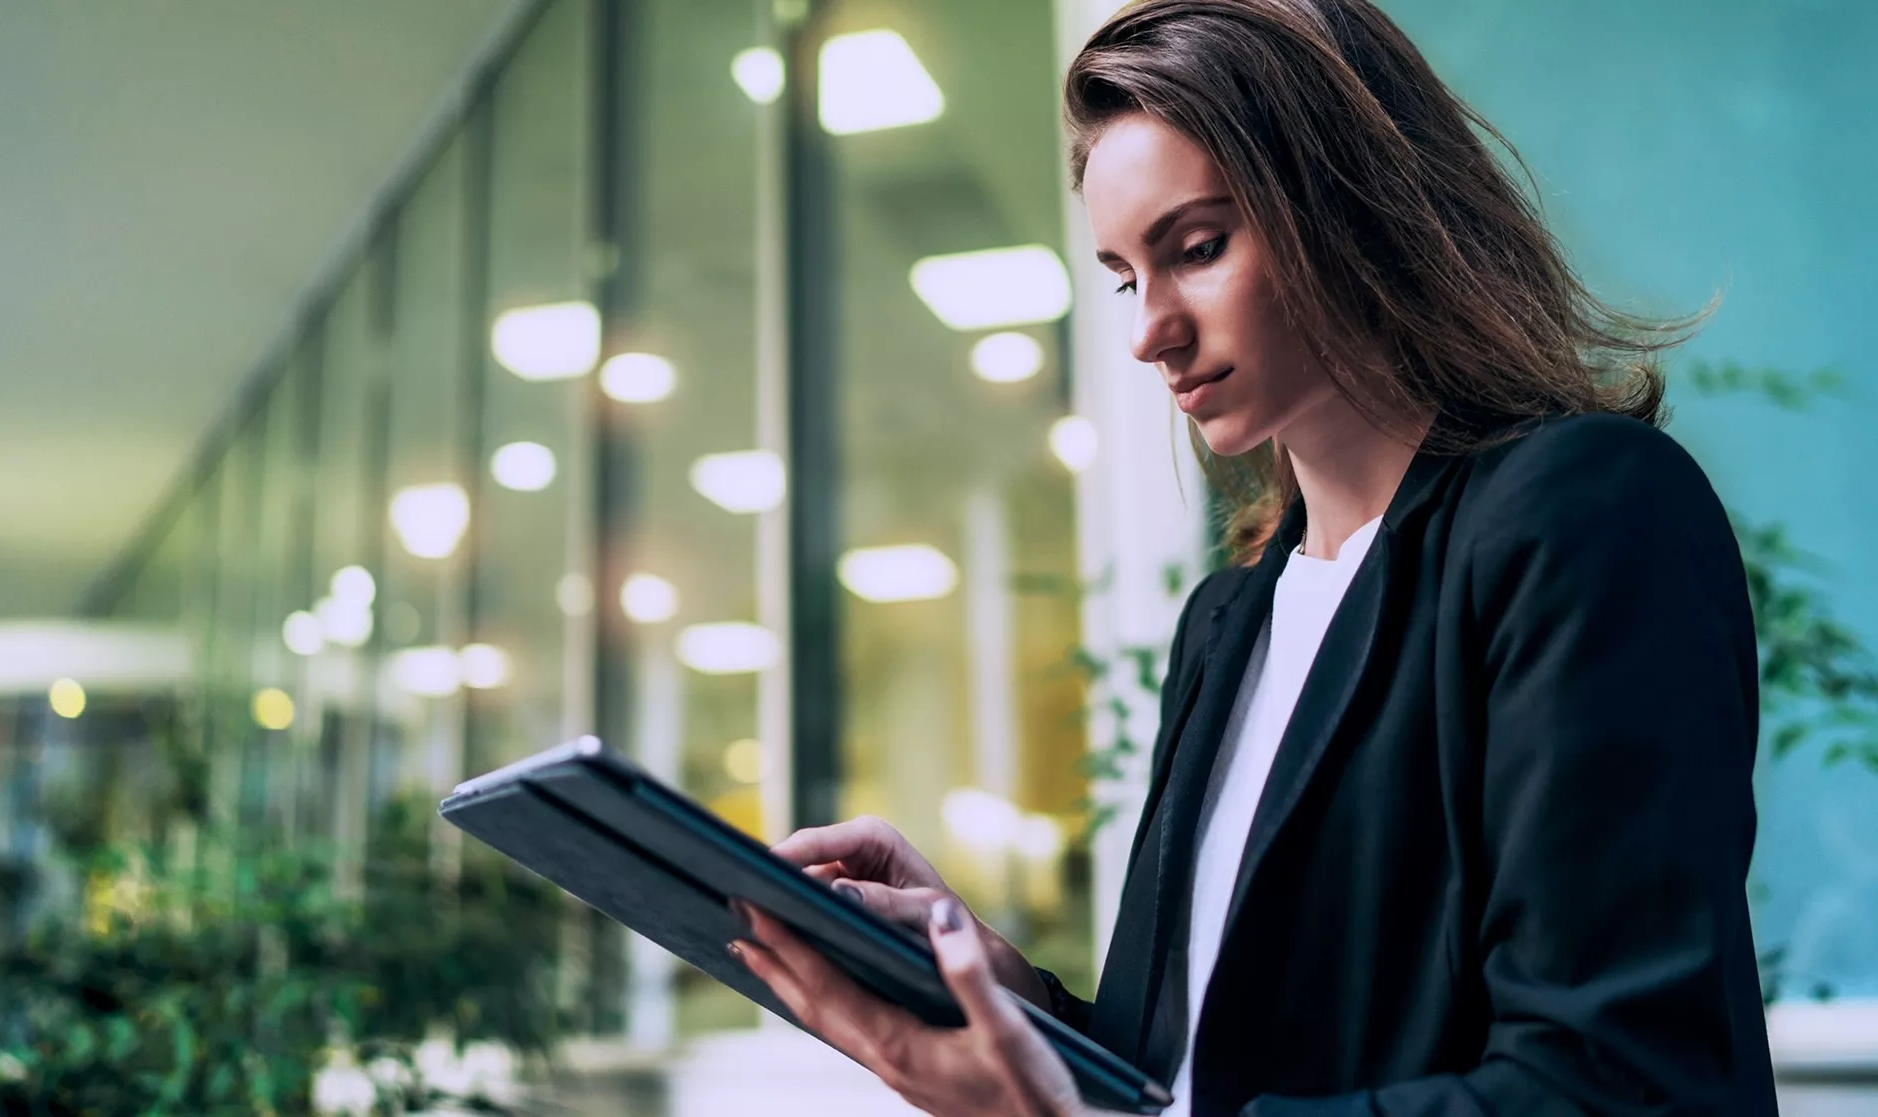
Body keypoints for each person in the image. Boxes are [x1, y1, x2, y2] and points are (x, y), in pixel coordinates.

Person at [728, 0, 1779, 1112]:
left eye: (1196, 248)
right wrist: (1000, 990)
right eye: (1126, 276)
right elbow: (1189, 1079)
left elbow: (1615, 1085)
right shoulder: (1229, 620)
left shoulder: (1581, 513)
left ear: (1351, 204)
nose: (1149, 329)